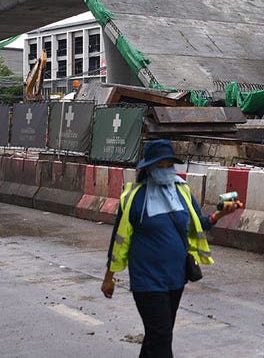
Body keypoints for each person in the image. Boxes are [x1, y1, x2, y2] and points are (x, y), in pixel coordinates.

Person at [101, 139, 238, 357]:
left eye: (169, 165)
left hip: (176, 279)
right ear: (148, 168)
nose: (166, 170)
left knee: (157, 337)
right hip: (147, 281)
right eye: (160, 166)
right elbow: (119, 239)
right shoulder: (134, 198)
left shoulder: (182, 191)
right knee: (161, 337)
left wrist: (221, 213)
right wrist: (109, 277)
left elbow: (198, 224)